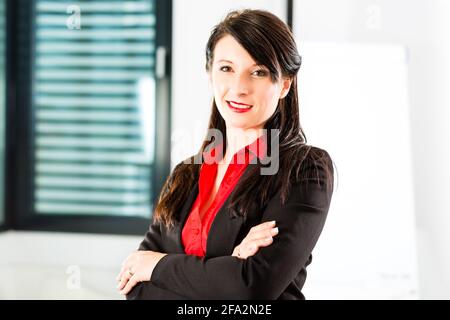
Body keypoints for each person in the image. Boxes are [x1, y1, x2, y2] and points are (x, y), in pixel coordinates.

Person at [116, 9, 334, 300]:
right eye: (226, 68)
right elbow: (136, 289)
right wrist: (226, 268)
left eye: (258, 72)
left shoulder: (303, 169)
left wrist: (157, 266)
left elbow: (251, 289)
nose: (239, 88)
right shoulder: (185, 174)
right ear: (210, 74)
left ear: (284, 84)